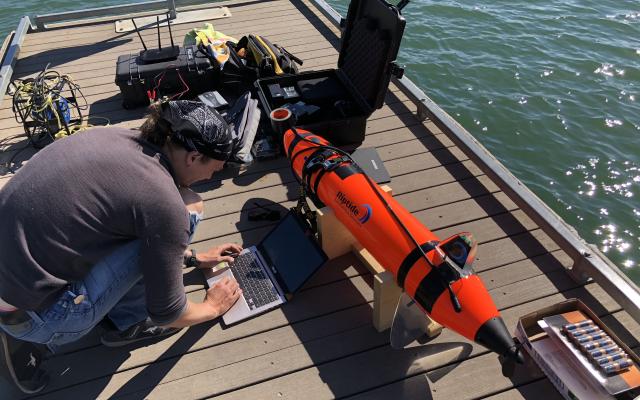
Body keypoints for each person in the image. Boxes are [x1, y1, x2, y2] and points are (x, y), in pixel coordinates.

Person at [0, 100, 243, 394]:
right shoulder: (162, 201)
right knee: (189, 206)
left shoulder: (112, 137)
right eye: (214, 170)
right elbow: (169, 312)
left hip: (12, 284)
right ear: (193, 157)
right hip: (43, 320)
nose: (210, 178)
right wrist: (211, 306)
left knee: (143, 223)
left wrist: (191, 258)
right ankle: (127, 323)